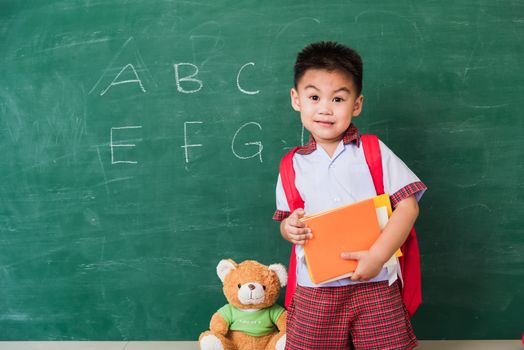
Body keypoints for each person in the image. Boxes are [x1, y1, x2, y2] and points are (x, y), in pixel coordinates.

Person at [273, 41, 427, 349]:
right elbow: (287, 221)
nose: (325, 108)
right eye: (314, 96)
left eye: (339, 98)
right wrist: (289, 228)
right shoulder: (292, 164)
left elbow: (408, 208)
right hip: (316, 285)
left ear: (356, 104)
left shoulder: (372, 150)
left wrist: (377, 256)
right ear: (296, 99)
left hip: (376, 281)